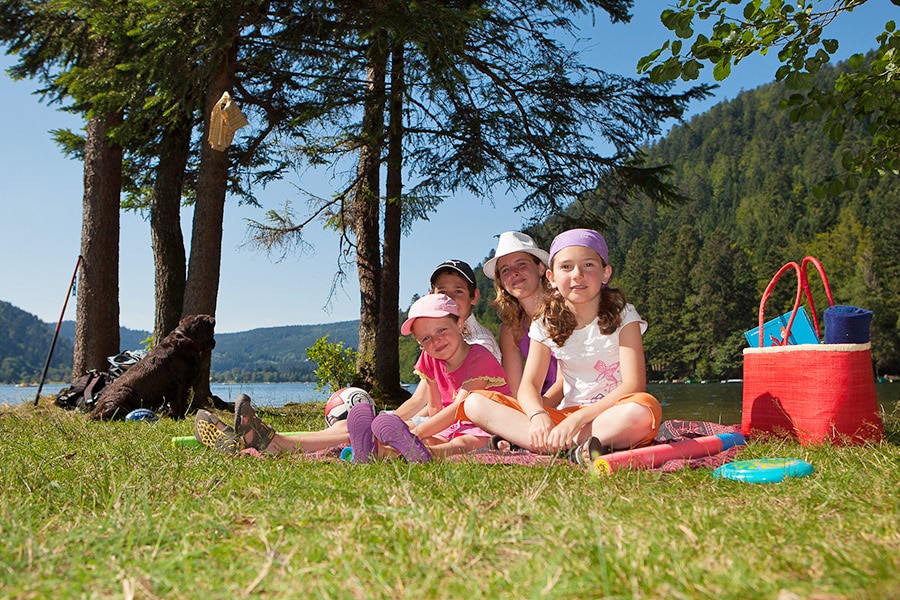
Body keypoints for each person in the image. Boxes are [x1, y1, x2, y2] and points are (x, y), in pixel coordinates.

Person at [460, 228, 662, 465]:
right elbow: (529, 385)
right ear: (552, 277)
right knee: (475, 403)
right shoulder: (544, 323)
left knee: (643, 411)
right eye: (566, 267)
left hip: (610, 412)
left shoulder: (624, 315)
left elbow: (633, 385)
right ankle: (576, 444)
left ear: (605, 273)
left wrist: (577, 420)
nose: (577, 275)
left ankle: (547, 442)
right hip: (564, 416)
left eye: (588, 265)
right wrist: (537, 415)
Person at [346, 293, 512, 463]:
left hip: (486, 426)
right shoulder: (429, 358)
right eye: (426, 338)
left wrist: (416, 433)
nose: (436, 340)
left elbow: (458, 409)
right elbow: (434, 406)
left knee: (462, 442)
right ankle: (380, 449)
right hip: (450, 425)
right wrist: (422, 434)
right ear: (420, 343)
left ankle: (403, 453)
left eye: (441, 330)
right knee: (427, 440)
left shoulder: (480, 358)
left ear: (460, 324)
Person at [482, 231, 560, 399]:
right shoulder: (511, 328)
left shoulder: (564, 309)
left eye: (521, 264)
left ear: (540, 268)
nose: (514, 273)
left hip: (575, 399)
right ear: (502, 282)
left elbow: (569, 381)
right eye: (505, 270)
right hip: (538, 405)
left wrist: (536, 411)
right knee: (476, 402)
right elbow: (514, 390)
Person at [429, 259, 501, 361]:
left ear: (474, 297)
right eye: (442, 292)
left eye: (458, 291)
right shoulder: (434, 338)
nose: (449, 298)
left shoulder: (481, 343)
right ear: (431, 297)